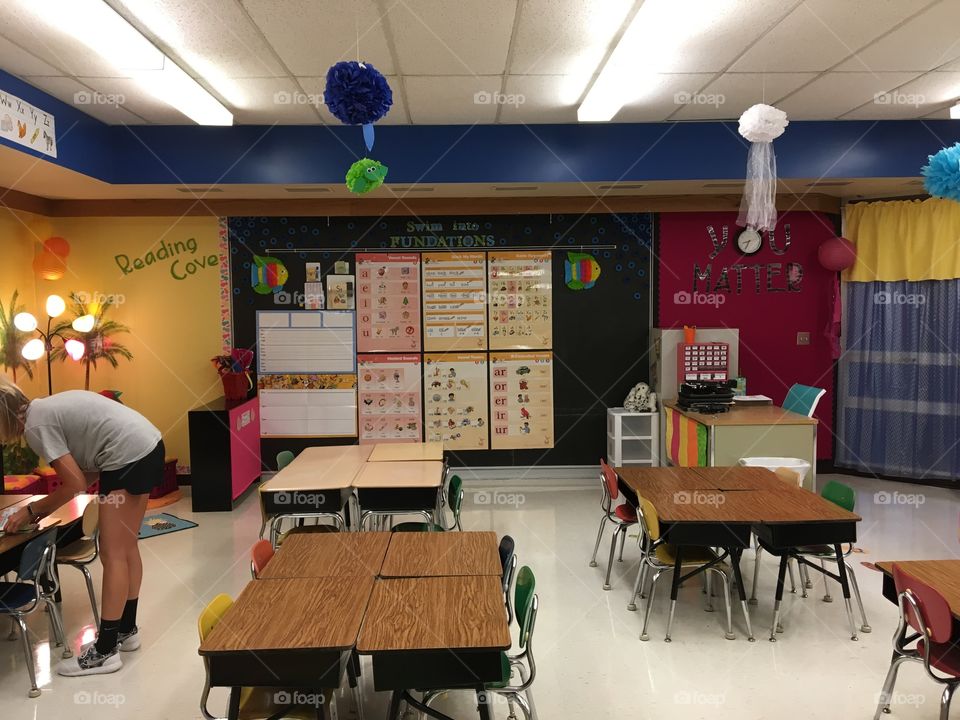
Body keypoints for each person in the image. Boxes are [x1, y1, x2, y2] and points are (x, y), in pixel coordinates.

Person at [0, 379, 163, 677]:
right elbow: (83, 476)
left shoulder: (36, 427)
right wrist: (38, 511)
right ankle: (126, 630)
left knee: (113, 555)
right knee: (126, 549)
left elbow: (74, 484)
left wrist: (32, 509)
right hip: (148, 445)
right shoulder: (44, 410)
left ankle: (105, 651)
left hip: (126, 455)